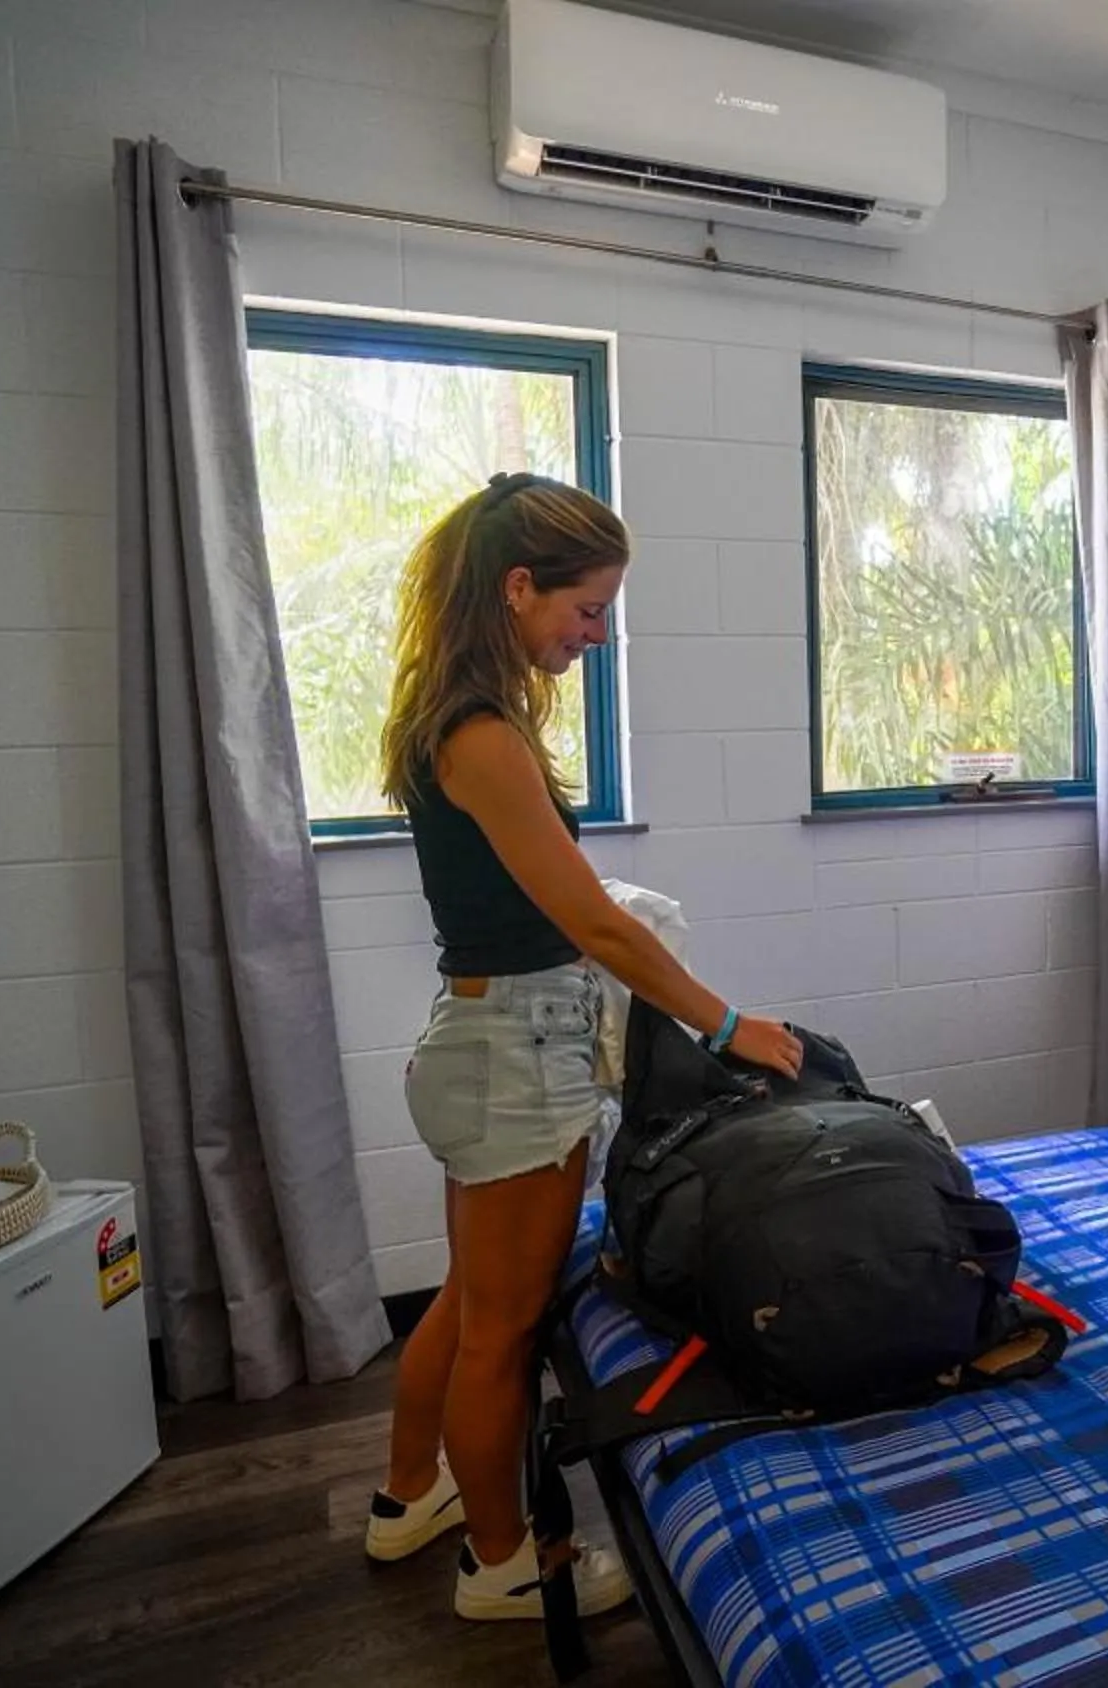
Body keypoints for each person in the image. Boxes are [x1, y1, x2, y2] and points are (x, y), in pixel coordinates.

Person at [361, 472, 803, 1623]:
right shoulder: (481, 732)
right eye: (587, 609)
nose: (596, 636)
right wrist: (724, 1021)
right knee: (501, 1331)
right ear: (519, 587)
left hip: (488, 1041)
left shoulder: (455, 714)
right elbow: (590, 924)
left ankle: (410, 1495)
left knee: (467, 1304)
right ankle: (501, 1563)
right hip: (511, 1057)